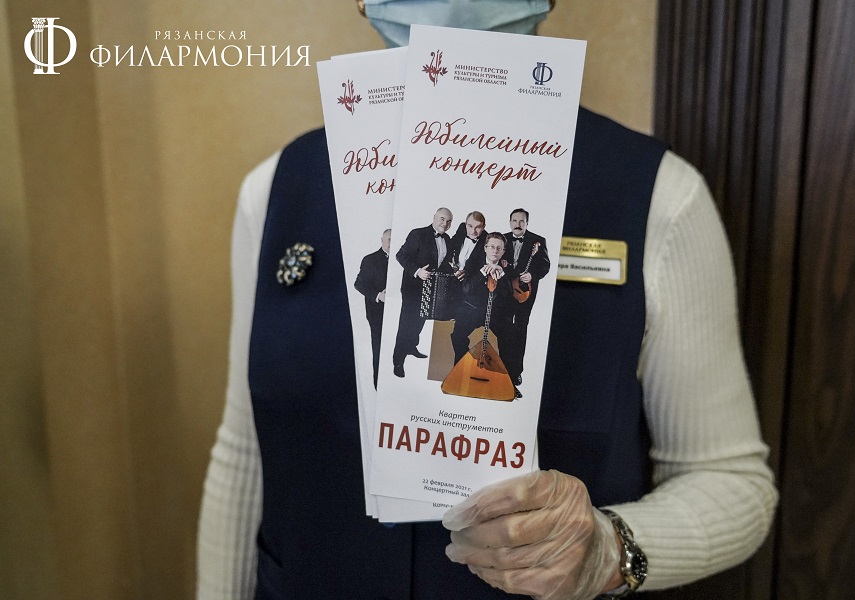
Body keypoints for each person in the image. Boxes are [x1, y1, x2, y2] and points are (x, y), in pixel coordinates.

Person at [197, 2, 778, 599]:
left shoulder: (657, 196)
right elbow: (246, 456)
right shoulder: (277, 190)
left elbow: (731, 482)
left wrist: (610, 548)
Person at [391, 207, 453, 377]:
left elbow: (443, 263)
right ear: (434, 218)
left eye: (448, 221)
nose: (444, 223)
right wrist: (417, 271)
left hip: (431, 287)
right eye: (442, 219)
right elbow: (400, 255)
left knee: (421, 319)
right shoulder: (418, 234)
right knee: (406, 323)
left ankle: (411, 346)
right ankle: (398, 360)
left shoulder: (447, 239)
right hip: (412, 287)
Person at [449, 233, 515, 373]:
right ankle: (463, 367)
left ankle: (508, 377)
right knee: (457, 336)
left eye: (499, 248)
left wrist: (502, 275)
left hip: (496, 313)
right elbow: (466, 288)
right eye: (492, 247)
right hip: (473, 310)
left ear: (503, 251)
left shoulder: (507, 267)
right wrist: (482, 273)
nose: (495, 251)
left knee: (510, 338)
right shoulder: (473, 263)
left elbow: (510, 295)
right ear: (485, 248)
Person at [501, 208, 551, 387]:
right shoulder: (502, 238)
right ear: (510, 222)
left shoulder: (538, 240)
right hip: (505, 292)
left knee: (521, 329)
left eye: (521, 221)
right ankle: (503, 368)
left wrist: (533, 275)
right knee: (504, 329)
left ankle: (516, 372)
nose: (518, 224)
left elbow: (545, 265)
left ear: (527, 223)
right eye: (514, 221)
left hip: (525, 292)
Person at [354, 229, 391, 388]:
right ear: (382, 240)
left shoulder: (402, 259)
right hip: (377, 313)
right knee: (379, 349)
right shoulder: (370, 259)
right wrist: (378, 295)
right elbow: (359, 284)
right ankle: (378, 385)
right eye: (389, 239)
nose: (392, 243)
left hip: (398, 313)